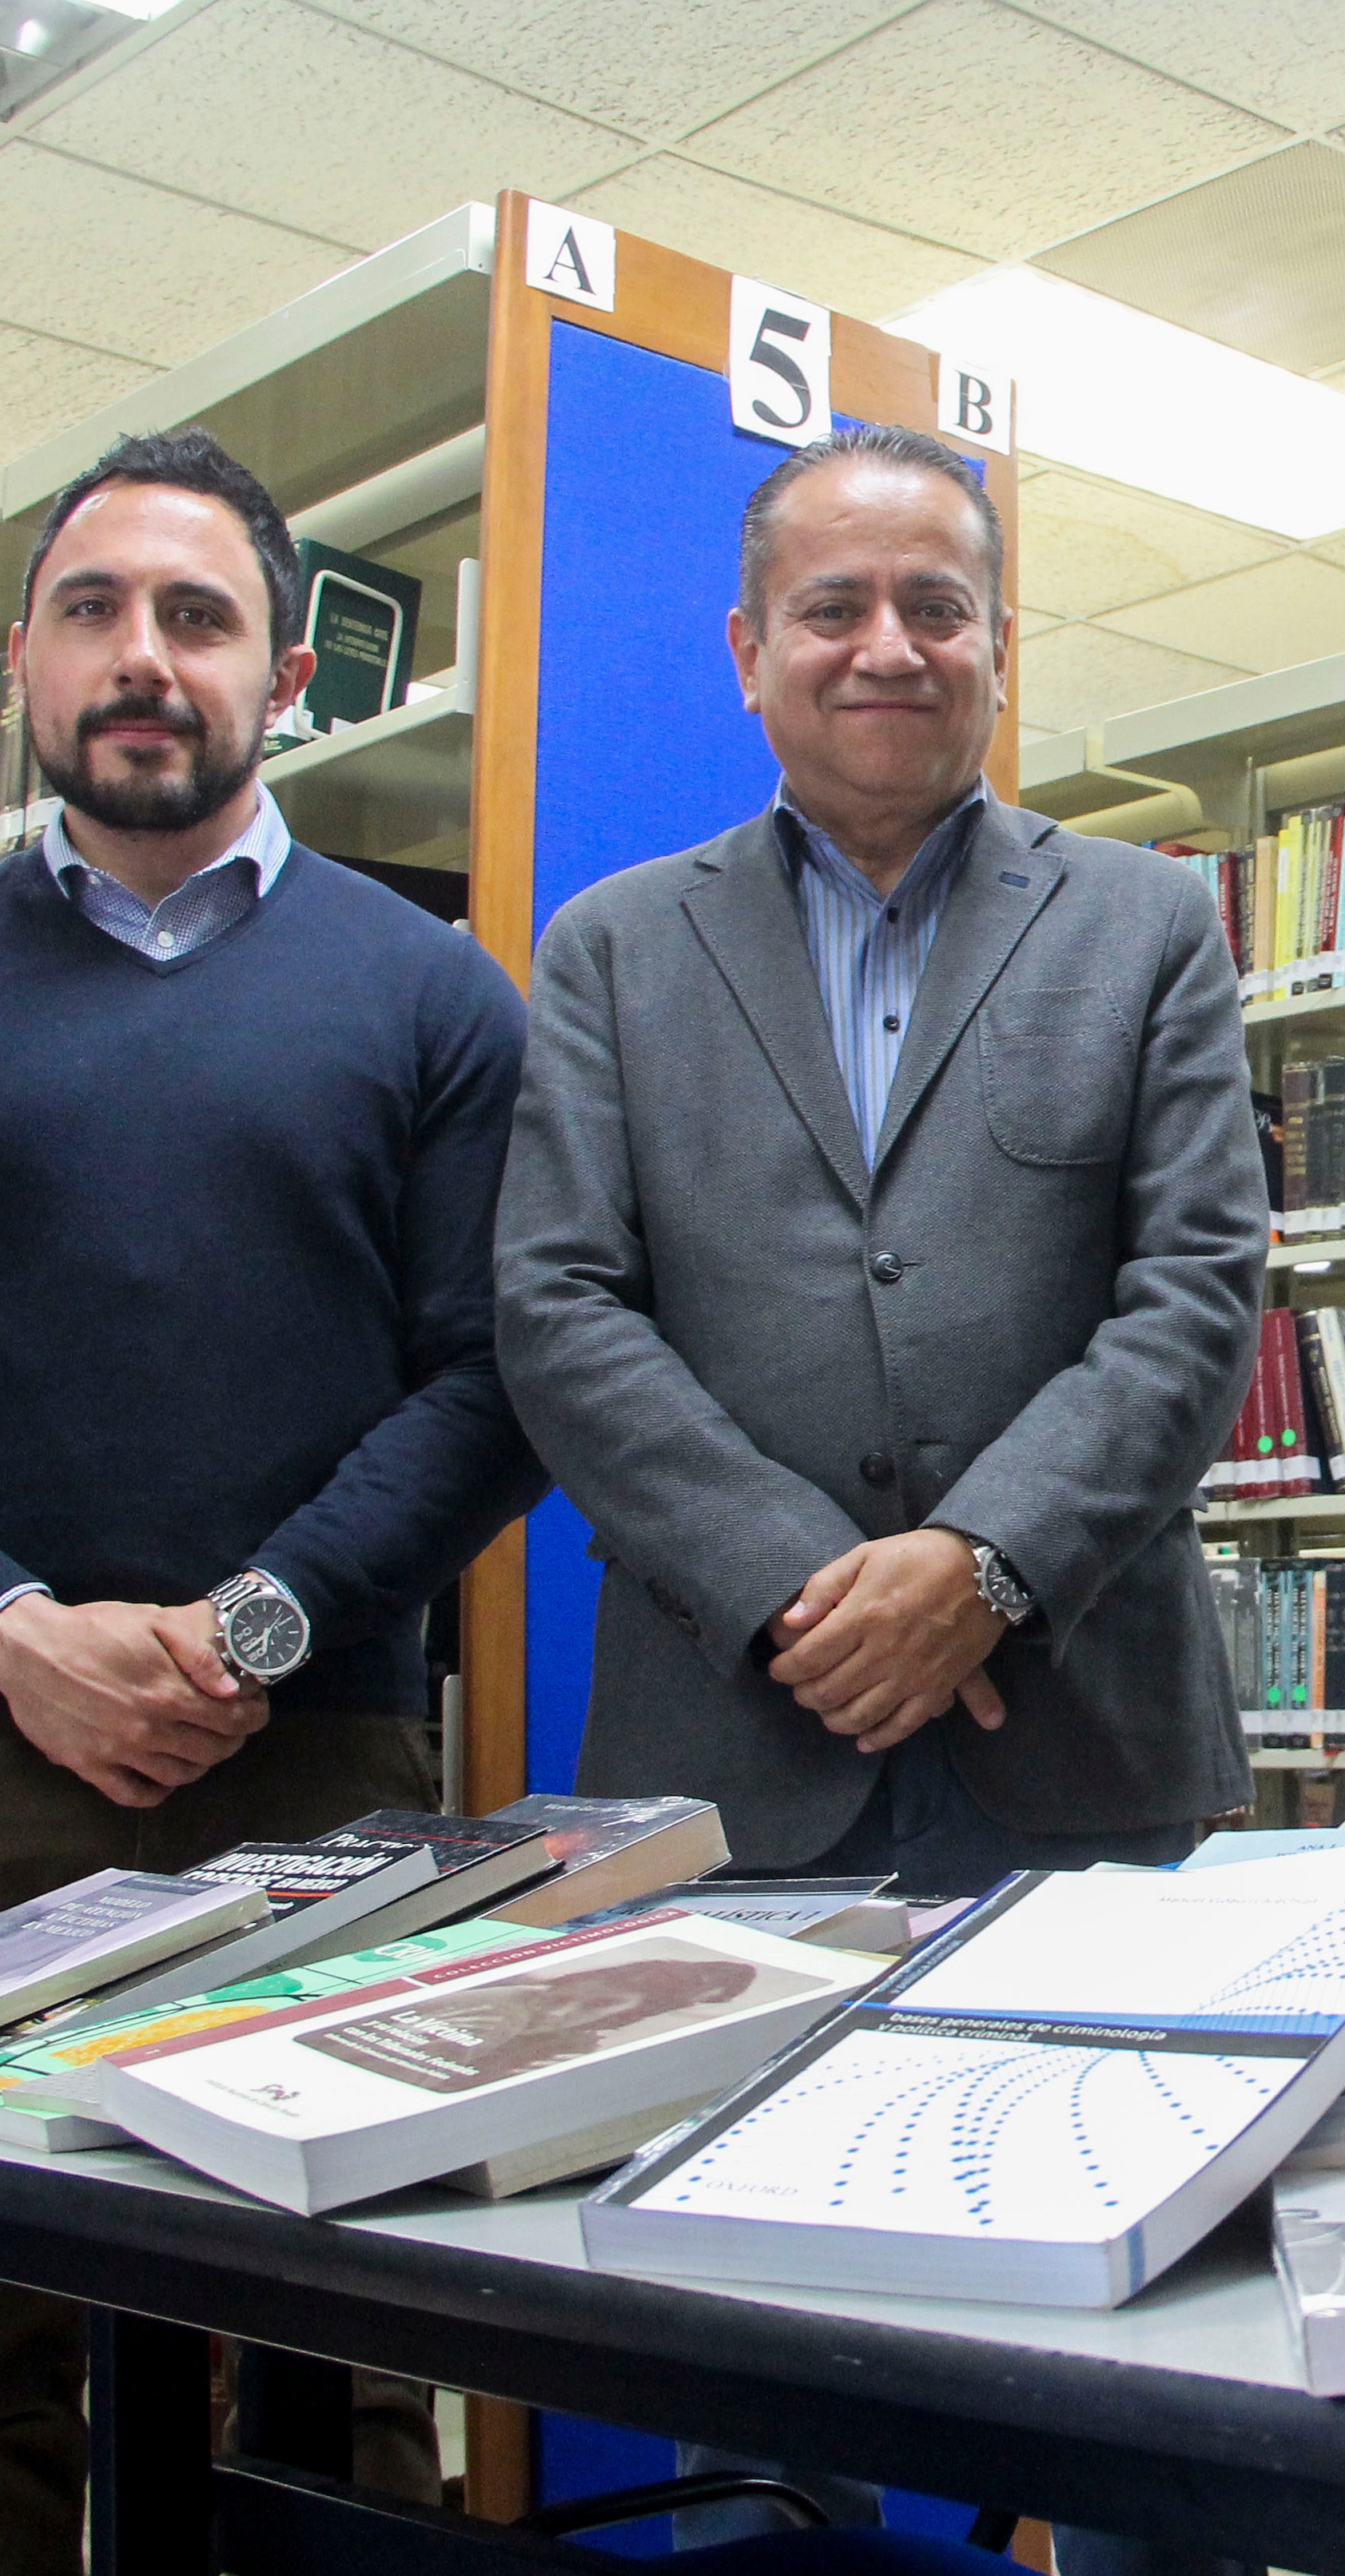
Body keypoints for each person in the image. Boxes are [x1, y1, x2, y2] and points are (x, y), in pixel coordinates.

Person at [0, 425, 544, 2576]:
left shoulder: (436, 998)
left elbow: (498, 1383)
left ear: (288, 683)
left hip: (327, 1767)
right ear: (23, 667)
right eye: (95, 612)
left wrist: (254, 1625)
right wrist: (18, 1631)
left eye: (200, 617)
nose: (143, 657)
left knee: (339, 2350)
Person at [494, 418, 1263, 1900]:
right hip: (732, 1737)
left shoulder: (1147, 925)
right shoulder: (613, 948)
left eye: (935, 607)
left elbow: (1199, 1289)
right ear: (749, 648)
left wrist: (984, 1562)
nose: (887, 648)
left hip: (1080, 1729)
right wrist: (794, 1581)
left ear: (997, 641)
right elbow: (560, 1308)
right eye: (833, 608)